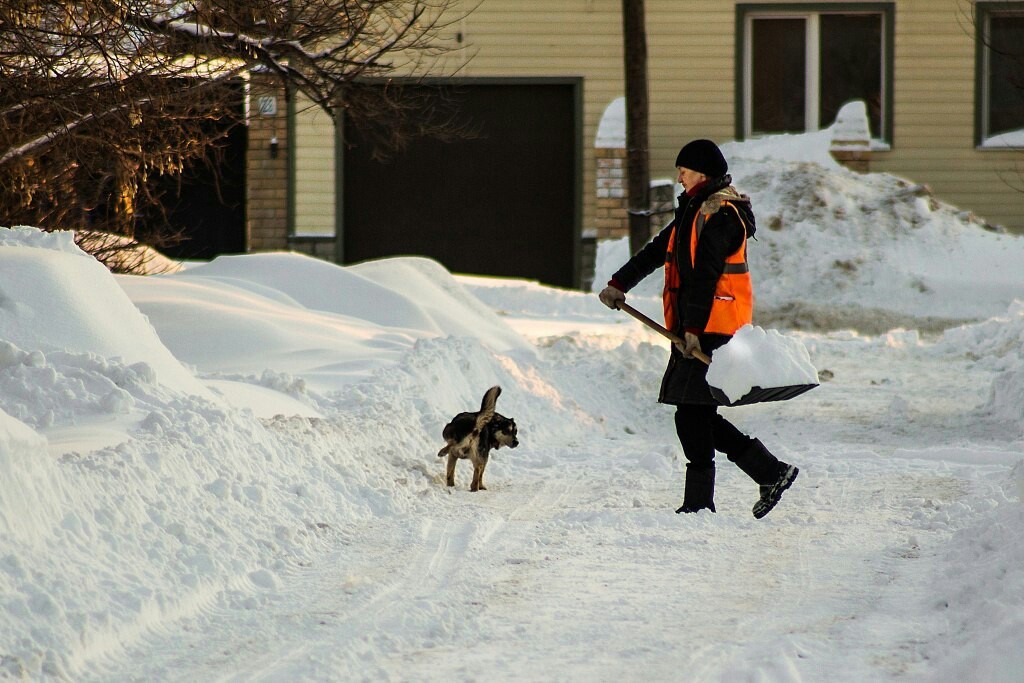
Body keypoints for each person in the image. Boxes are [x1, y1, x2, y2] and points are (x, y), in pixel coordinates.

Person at [598, 139, 798, 518]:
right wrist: (619, 283)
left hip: (712, 327)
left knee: (692, 415)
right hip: (696, 326)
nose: (678, 177)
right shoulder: (695, 209)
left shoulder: (722, 214)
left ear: (701, 173)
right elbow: (659, 249)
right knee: (696, 414)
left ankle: (706, 500)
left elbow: (705, 276)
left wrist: (692, 331)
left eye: (684, 171)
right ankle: (766, 474)